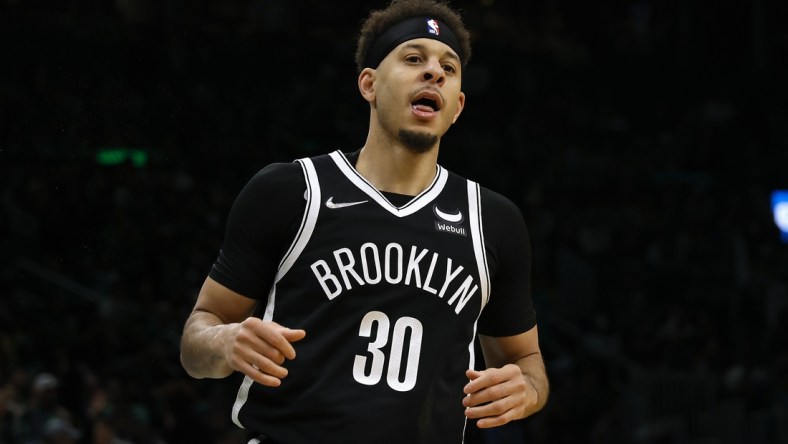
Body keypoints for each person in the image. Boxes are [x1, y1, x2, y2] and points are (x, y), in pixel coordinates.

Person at [180, 0, 549, 442]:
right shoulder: (290, 191)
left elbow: (526, 362)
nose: (434, 72)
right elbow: (197, 339)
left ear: (457, 106)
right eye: (414, 59)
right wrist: (224, 341)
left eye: (448, 68)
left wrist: (527, 388)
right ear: (369, 84)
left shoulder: (493, 222)